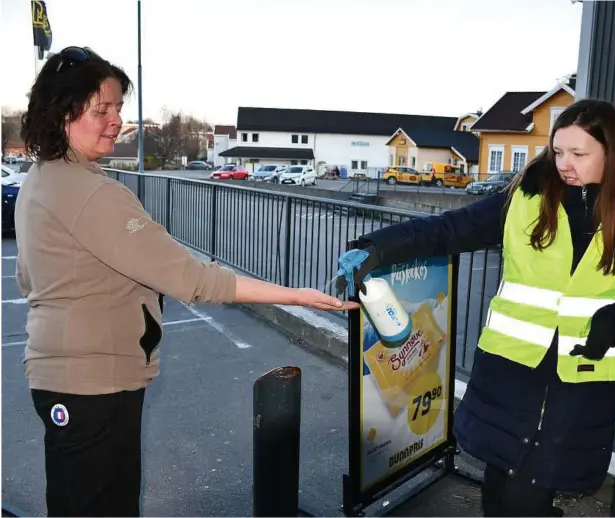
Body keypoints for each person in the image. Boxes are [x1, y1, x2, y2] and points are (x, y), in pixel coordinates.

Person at [15, 46, 358, 517]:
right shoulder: (93, 194)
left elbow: (27, 278)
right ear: (64, 113)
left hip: (60, 378)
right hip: (95, 385)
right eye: (102, 109)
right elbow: (192, 279)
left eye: (118, 108)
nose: (116, 120)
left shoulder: (39, 178)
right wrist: (297, 295)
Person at [337, 99, 615, 516]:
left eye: (578, 154)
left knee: (523, 499)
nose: (563, 164)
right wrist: (378, 247)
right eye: (557, 151)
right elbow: (451, 229)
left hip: (580, 386)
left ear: (613, 152)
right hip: (511, 375)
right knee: (499, 493)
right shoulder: (528, 195)